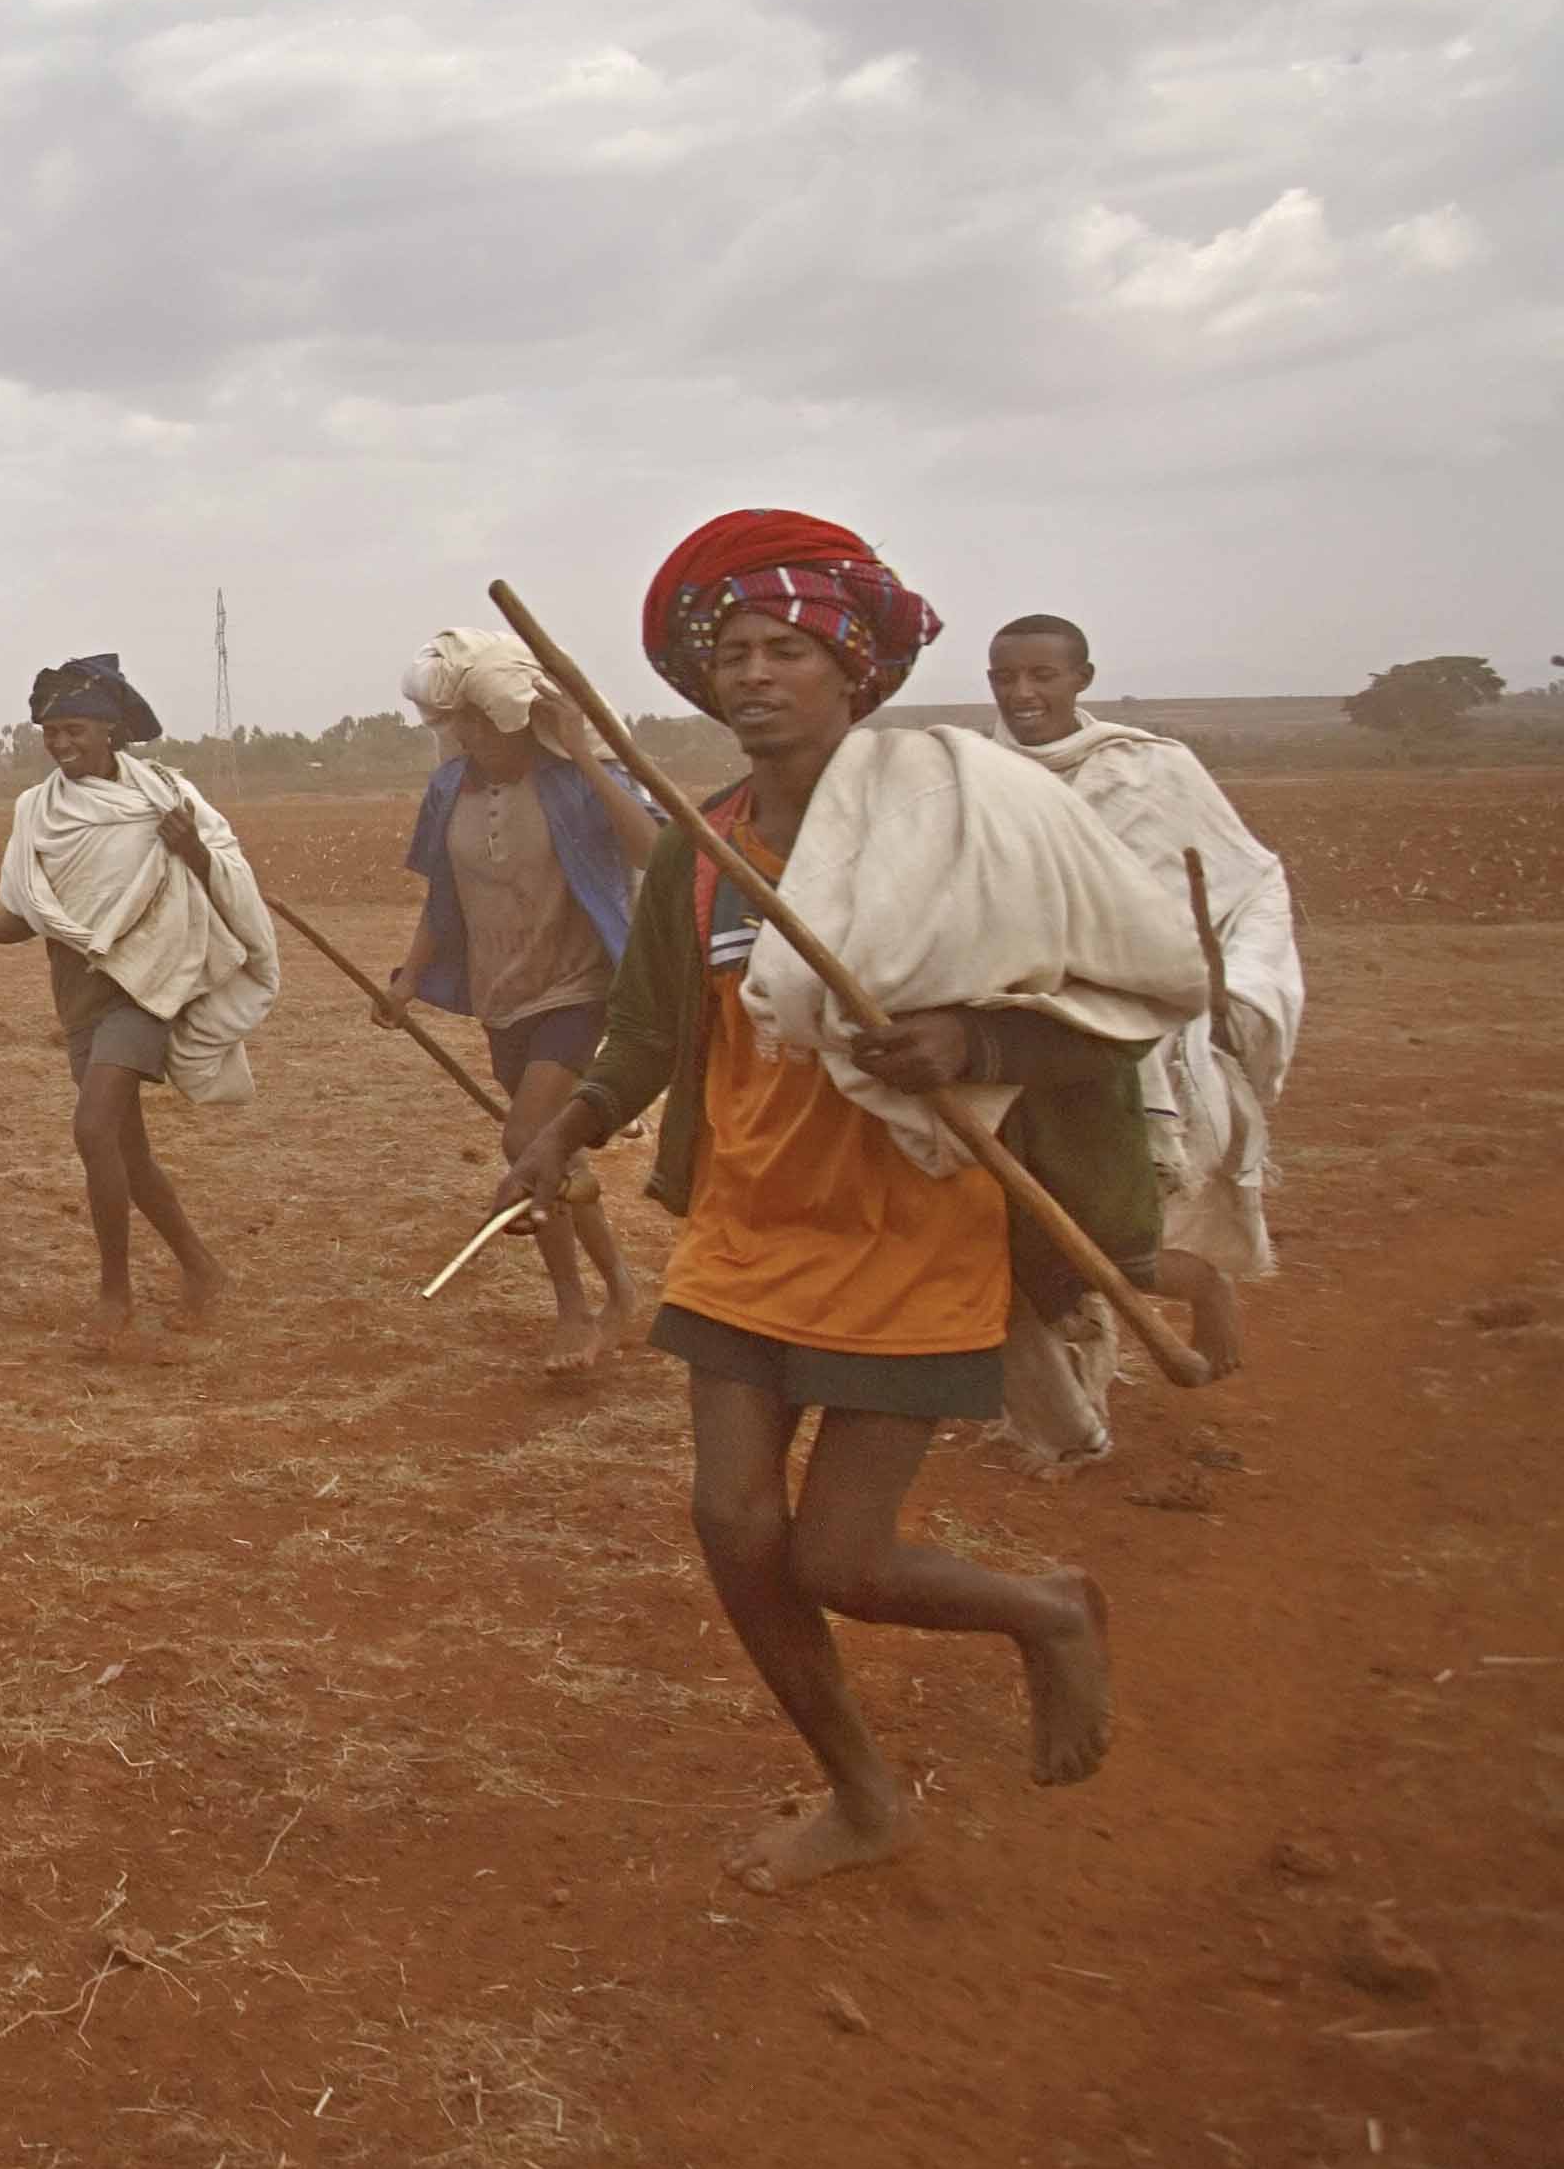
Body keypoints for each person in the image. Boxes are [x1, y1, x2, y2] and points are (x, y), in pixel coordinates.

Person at [498, 514, 1205, 1894]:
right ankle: (864, 1795)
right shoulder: (696, 853)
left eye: (787, 651)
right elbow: (647, 1036)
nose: (755, 676)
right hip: (750, 1226)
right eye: (733, 656)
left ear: (854, 670)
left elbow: (1123, 1002)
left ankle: (1046, 1613)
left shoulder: (966, 820)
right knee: (734, 1529)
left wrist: (973, 1047)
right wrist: (564, 1129)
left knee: (843, 1553)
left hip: (913, 1229)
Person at [984, 614, 1280, 1465]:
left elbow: (1244, 878)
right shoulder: (981, 777)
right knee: (1000, 1220)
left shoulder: (1150, 770)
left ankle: (1193, 1288)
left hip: (1122, 1032)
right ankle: (1061, 1414)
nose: (1023, 695)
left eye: (1043, 676)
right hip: (1006, 1022)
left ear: (1082, 677)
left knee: (1092, 1213)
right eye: (1005, 678)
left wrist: (1227, 989)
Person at [0, 655, 274, 1347]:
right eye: (51, 732)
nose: (61, 745)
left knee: (93, 1129)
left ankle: (113, 1295)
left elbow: (222, 870)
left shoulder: (166, 798)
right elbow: (26, 916)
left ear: (111, 731)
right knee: (124, 1148)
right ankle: (203, 1269)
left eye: (74, 729)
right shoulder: (36, 811)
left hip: (147, 985)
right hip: (80, 992)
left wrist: (197, 856)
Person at [381, 628, 662, 1374]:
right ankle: (623, 1288)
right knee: (551, 1149)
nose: (467, 735)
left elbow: (654, 852)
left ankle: (573, 1310)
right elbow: (444, 895)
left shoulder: (571, 781)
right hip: (502, 994)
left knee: (523, 1139)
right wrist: (409, 976)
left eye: (481, 719)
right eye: (456, 723)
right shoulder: (448, 790)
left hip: (580, 989)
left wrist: (587, 752)